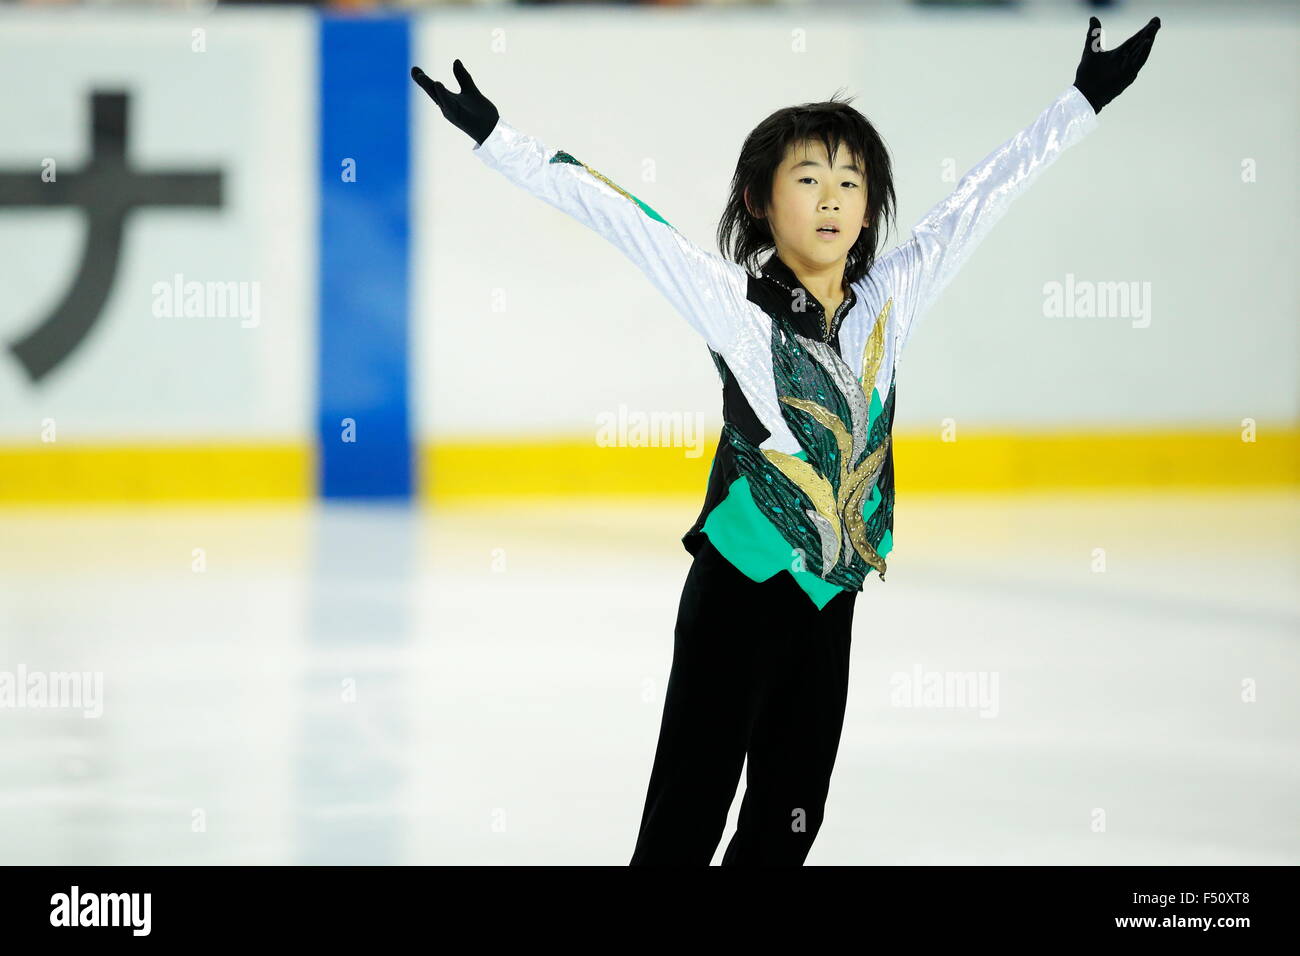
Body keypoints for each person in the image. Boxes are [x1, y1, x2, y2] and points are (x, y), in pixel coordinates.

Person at [411, 14, 1160, 865]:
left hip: (828, 601)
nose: (833, 197)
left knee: (789, 820)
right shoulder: (734, 305)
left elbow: (981, 199)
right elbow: (620, 214)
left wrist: (1083, 100)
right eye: (808, 179)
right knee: (684, 823)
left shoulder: (891, 299)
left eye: (851, 180)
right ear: (761, 204)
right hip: (737, 591)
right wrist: (496, 136)